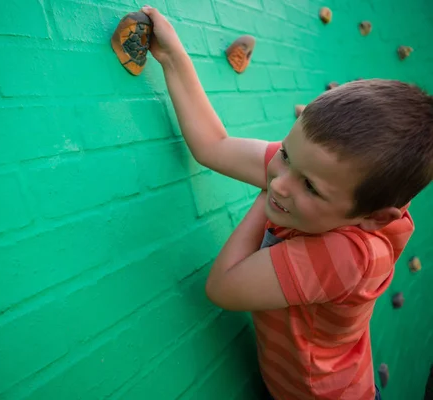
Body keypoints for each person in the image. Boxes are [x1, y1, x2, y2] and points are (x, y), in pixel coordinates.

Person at [139, 5, 433, 400]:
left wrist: (268, 193)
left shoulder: (350, 255)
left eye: (309, 187)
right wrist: (174, 59)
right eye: (286, 153)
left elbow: (223, 287)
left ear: (373, 218)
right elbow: (214, 146)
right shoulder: (320, 172)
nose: (282, 182)